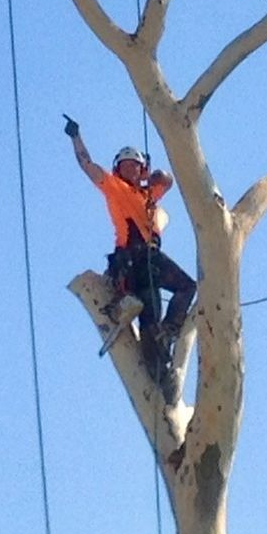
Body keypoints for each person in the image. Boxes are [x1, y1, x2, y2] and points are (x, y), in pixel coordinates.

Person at [64, 116, 196, 383]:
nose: (130, 169)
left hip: (152, 260)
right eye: (125, 166)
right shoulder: (116, 188)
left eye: (135, 166)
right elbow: (88, 166)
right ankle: (157, 366)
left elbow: (167, 180)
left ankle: (168, 333)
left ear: (142, 169)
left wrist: (150, 177)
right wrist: (76, 137)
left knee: (186, 287)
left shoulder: (148, 196)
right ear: (118, 170)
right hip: (133, 261)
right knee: (150, 313)